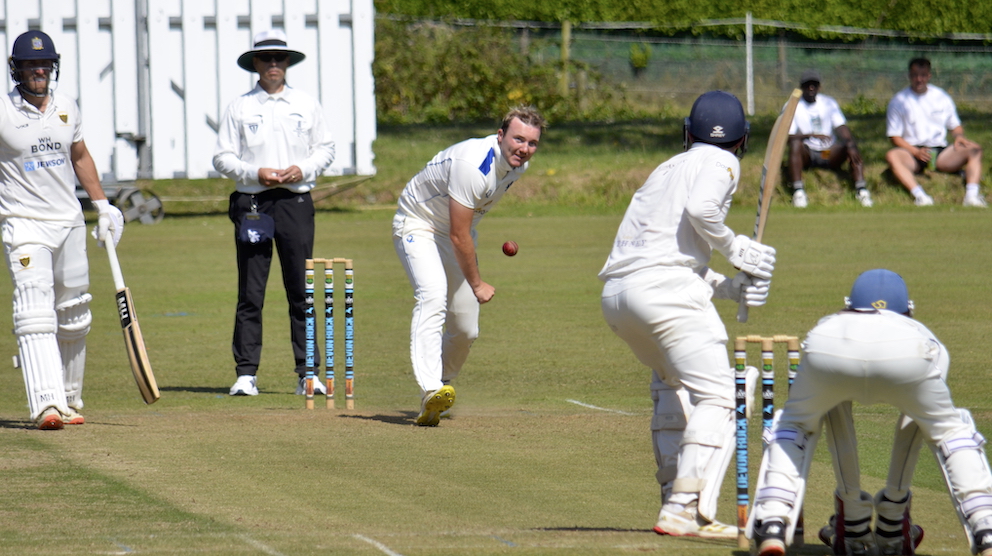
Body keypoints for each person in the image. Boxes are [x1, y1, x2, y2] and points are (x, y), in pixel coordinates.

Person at [599, 91, 776, 538]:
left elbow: (665, 255)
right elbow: (702, 213)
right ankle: (684, 506)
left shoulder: (665, 169)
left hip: (620, 296)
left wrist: (730, 286)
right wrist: (736, 248)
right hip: (665, 295)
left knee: (671, 384)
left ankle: (672, 498)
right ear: (742, 140)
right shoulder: (723, 162)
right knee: (725, 393)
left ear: (688, 131)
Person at [749, 269, 992, 556]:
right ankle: (984, 528)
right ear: (907, 309)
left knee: (793, 425)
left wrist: (851, 514)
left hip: (829, 347)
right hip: (908, 353)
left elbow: (834, 417)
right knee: (950, 431)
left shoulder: (833, 322)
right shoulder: (923, 334)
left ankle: (773, 522)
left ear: (849, 304)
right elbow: (915, 424)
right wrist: (894, 510)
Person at [0, 31, 124, 429]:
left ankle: (69, 398)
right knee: (35, 310)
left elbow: (80, 154)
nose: (38, 70)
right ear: (16, 69)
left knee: (74, 313)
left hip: (68, 220)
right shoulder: (3, 111)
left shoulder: (67, 107)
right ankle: (45, 404)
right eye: (30, 64)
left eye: (44, 64)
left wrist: (102, 205)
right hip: (24, 224)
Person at [392, 106, 545, 426]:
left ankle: (440, 388)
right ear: (500, 135)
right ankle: (430, 386)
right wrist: (477, 284)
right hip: (417, 224)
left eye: (532, 143)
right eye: (518, 139)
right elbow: (459, 234)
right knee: (432, 295)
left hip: (454, 233)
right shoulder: (473, 165)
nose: (524, 149)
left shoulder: (518, 166)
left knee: (466, 328)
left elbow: (461, 232)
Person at [213, 30, 335, 397]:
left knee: (301, 289)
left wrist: (302, 168)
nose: (273, 65)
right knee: (251, 292)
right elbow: (222, 157)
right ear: (256, 64)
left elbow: (325, 149)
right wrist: (256, 173)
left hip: (296, 202)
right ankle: (246, 374)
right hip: (254, 204)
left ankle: (307, 374)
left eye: (279, 59)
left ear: (287, 64)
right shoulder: (240, 106)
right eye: (266, 59)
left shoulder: (306, 104)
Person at [885, 58, 987, 207]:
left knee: (974, 149)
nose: (919, 79)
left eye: (923, 75)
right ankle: (920, 196)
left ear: (929, 76)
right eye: (914, 75)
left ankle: (971, 197)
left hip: (941, 153)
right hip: (912, 152)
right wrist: (916, 152)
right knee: (892, 155)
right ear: (909, 76)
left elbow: (955, 126)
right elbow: (894, 137)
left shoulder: (941, 97)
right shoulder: (899, 101)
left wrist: (958, 137)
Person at [788, 69, 871, 208]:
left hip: (828, 153)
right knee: (796, 145)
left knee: (851, 145)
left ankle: (861, 190)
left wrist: (850, 143)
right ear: (801, 87)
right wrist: (810, 135)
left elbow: (841, 127)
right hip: (808, 154)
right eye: (807, 84)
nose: (811, 88)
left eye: (814, 84)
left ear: (819, 86)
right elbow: (787, 137)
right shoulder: (793, 106)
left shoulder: (829, 103)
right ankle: (798, 192)